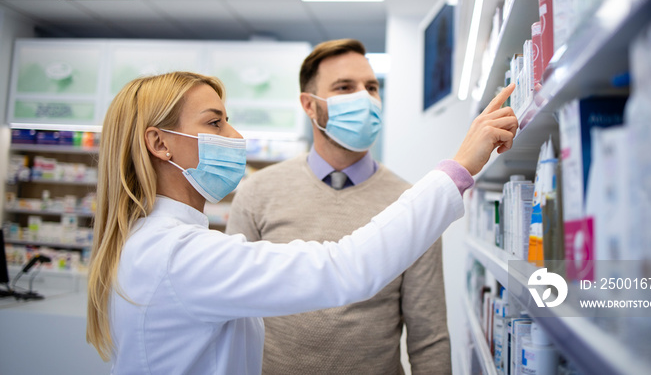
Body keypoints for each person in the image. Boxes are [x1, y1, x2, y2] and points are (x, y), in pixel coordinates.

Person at [86, 71, 517, 375]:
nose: (235, 137)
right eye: (215, 122)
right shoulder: (178, 256)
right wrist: (459, 168)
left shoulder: (156, 243)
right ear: (160, 143)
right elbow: (345, 268)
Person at [226, 39, 451, 374]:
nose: (364, 98)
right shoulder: (258, 192)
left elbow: (428, 337)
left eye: (371, 87)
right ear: (309, 105)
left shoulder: (413, 204)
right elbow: (231, 311)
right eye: (345, 87)